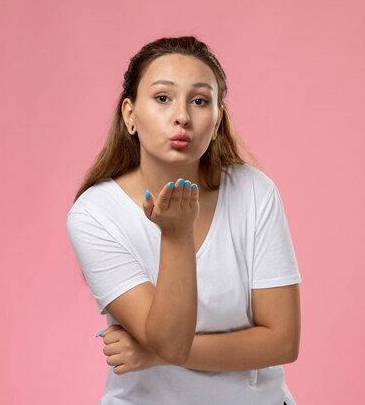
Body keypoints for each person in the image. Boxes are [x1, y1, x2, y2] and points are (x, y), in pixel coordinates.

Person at [66, 36, 301, 405]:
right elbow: (171, 339)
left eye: (200, 100)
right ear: (130, 115)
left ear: (217, 117)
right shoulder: (95, 214)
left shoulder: (255, 191)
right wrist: (175, 235)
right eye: (163, 98)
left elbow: (283, 341)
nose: (182, 116)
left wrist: (157, 354)